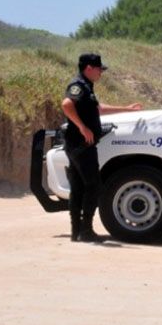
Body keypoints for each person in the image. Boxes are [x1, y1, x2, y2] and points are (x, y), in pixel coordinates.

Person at [60, 54, 141, 242]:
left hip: (79, 145)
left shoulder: (87, 87)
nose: (101, 73)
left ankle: (77, 231)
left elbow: (98, 109)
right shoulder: (78, 85)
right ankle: (85, 230)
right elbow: (66, 104)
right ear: (89, 68)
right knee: (93, 185)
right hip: (81, 145)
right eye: (99, 69)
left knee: (79, 187)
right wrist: (82, 127)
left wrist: (128, 109)